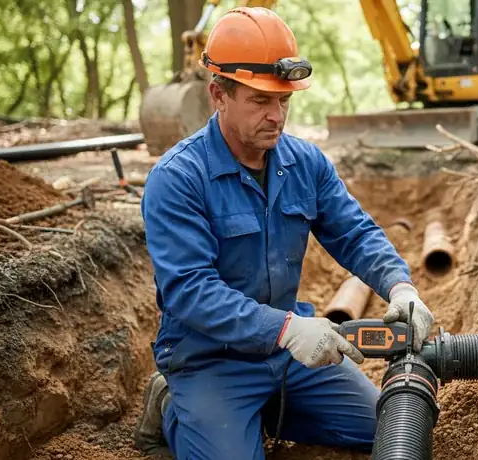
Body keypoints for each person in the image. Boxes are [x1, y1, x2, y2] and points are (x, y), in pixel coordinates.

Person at [133, 6, 434, 460]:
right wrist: (288, 329)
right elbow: (189, 291)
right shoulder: (178, 178)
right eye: (260, 101)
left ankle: (265, 410)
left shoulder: (305, 164)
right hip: (212, 362)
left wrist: (400, 284)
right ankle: (174, 407)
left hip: (291, 359)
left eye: (284, 100)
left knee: (389, 430)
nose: (276, 115)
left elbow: (354, 232)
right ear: (218, 94)